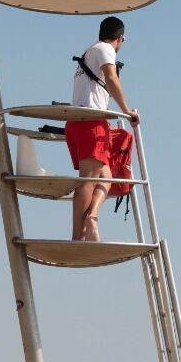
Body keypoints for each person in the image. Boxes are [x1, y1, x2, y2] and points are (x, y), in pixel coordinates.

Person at [65, 16, 138, 242]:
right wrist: (127, 111)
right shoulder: (106, 49)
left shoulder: (88, 53)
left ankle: (92, 218)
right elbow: (111, 78)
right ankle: (78, 236)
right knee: (88, 179)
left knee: (106, 176)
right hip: (91, 122)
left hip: (78, 122)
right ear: (120, 38)